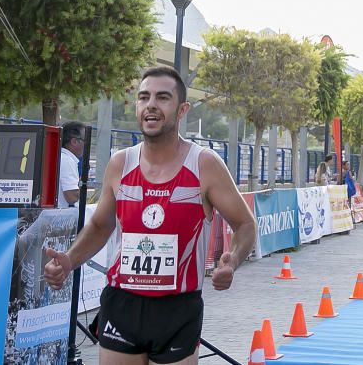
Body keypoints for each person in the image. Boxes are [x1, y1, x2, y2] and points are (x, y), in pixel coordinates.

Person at [43, 66, 257, 363]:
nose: (151, 105)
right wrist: (70, 259)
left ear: (182, 110)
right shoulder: (120, 164)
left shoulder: (204, 165)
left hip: (178, 308)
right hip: (123, 303)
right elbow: (100, 225)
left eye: (162, 97)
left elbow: (245, 223)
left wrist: (232, 261)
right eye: (144, 97)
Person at [58, 121, 85, 208]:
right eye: (85, 140)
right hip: (59, 216)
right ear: (74, 142)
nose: (87, 144)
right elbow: (72, 197)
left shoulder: (60, 157)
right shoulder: (67, 160)